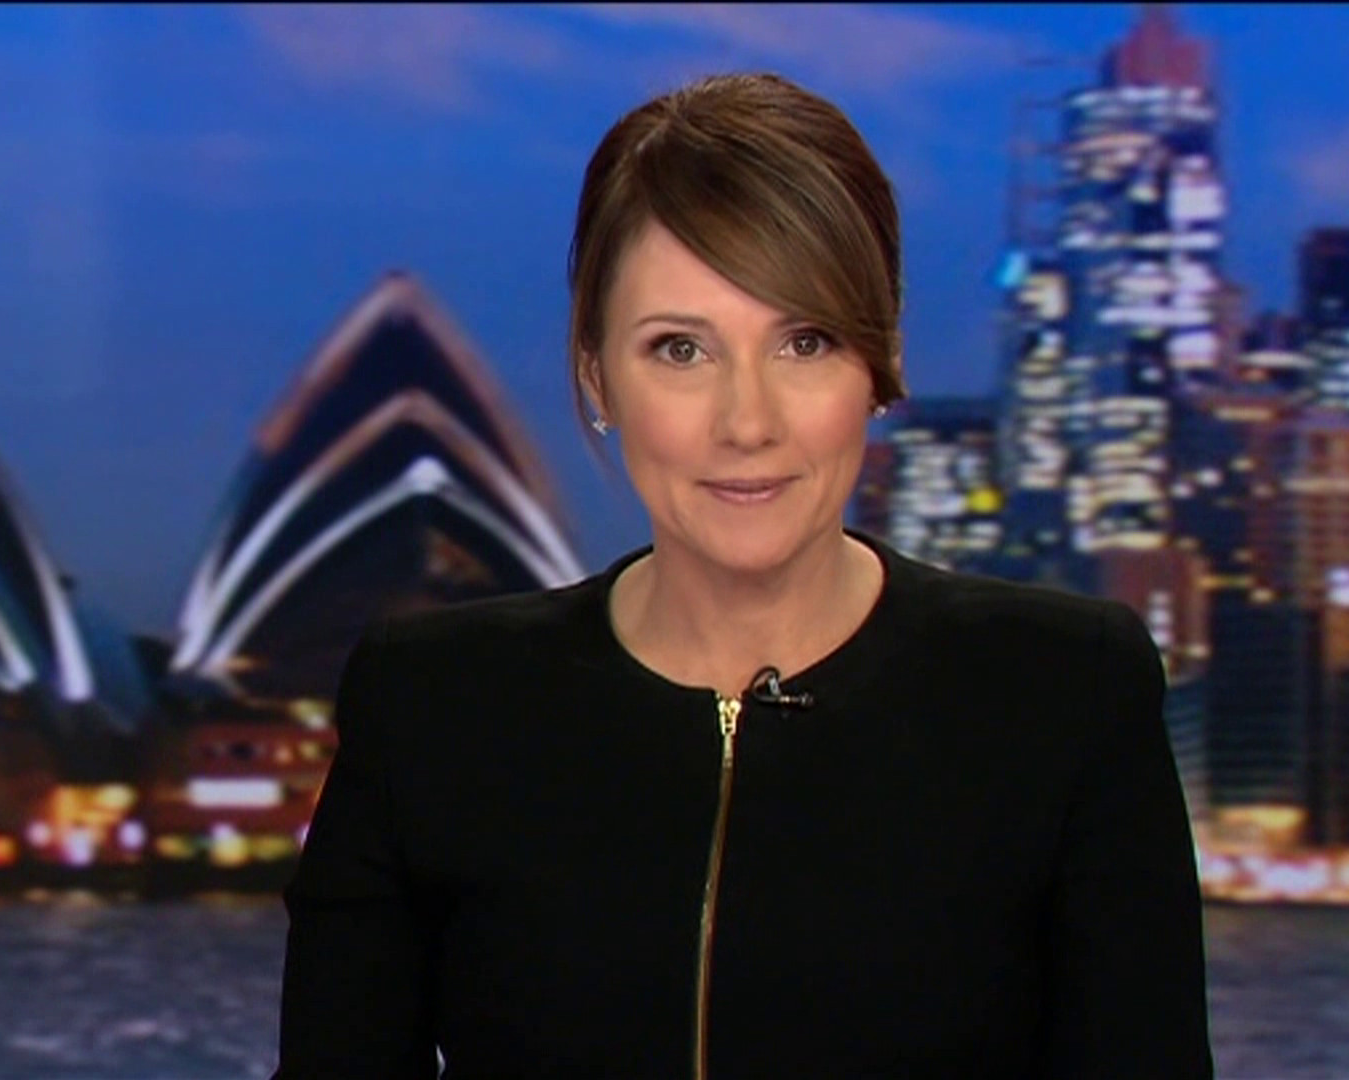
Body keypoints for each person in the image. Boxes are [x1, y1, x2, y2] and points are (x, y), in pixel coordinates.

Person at [274, 72, 1213, 1079]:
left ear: (879, 363)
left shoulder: (1066, 691)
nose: (748, 422)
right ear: (596, 374)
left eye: (805, 342)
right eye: (681, 349)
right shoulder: (431, 704)